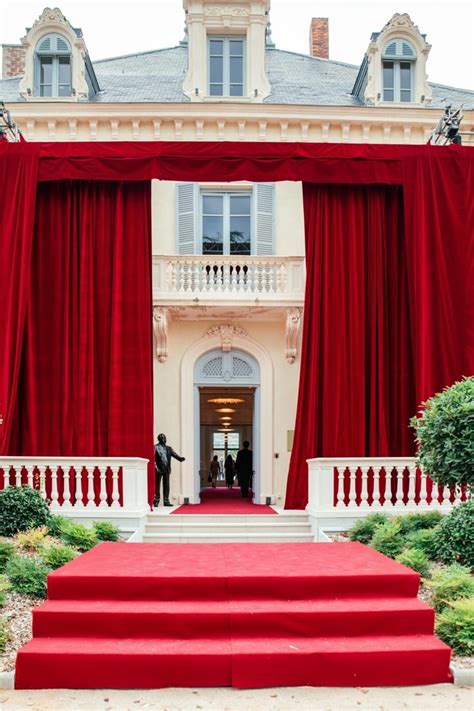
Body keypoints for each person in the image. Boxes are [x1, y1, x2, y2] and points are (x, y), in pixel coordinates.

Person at [154, 433, 185, 507]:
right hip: (159, 469)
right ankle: (156, 500)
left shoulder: (169, 448)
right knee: (157, 485)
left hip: (167, 469)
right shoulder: (155, 447)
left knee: (166, 485)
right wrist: (156, 467)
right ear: (159, 439)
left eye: (164, 438)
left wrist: (180, 458)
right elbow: (153, 458)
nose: (164, 440)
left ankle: (166, 500)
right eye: (162, 438)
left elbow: (175, 455)